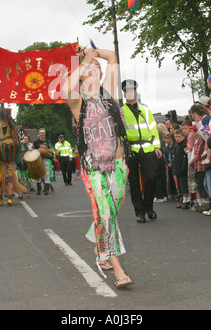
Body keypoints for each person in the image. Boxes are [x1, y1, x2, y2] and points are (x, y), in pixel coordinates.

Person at [62, 46, 132, 288]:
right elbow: (63, 88)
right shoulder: (77, 102)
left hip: (119, 164)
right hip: (93, 167)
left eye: (97, 68)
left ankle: (99, 243)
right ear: (81, 75)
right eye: (90, 68)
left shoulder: (109, 93)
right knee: (105, 213)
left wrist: (93, 51)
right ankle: (115, 265)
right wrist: (84, 62)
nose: (95, 69)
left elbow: (112, 55)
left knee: (111, 211)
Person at [121, 79, 162, 223]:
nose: (130, 93)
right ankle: (140, 212)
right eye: (127, 91)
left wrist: (157, 146)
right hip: (131, 149)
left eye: (132, 90)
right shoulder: (121, 111)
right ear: (124, 94)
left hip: (147, 148)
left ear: (136, 92)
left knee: (151, 178)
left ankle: (149, 207)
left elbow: (153, 129)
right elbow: (119, 132)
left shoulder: (145, 109)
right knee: (134, 183)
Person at [187, 127, 210, 212]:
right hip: (197, 167)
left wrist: (190, 163)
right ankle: (203, 202)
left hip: (200, 167)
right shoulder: (197, 142)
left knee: (201, 184)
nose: (191, 134)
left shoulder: (200, 142)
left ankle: (206, 201)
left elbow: (197, 155)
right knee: (199, 185)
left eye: (192, 132)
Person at [33, 128, 55, 195]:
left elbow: (51, 151)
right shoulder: (36, 142)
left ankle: (46, 189)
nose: (42, 134)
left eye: (43, 133)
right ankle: (39, 189)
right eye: (41, 133)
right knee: (38, 174)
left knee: (47, 173)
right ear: (39, 134)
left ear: (45, 134)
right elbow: (33, 150)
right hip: (38, 159)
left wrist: (46, 148)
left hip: (46, 159)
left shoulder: (48, 141)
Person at [173, 129, 189, 209]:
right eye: (176, 137)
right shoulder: (176, 146)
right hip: (177, 168)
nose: (177, 138)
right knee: (179, 185)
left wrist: (183, 168)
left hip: (183, 169)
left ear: (183, 137)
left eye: (179, 137)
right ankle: (182, 199)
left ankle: (186, 200)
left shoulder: (184, 146)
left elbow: (184, 159)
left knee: (184, 185)